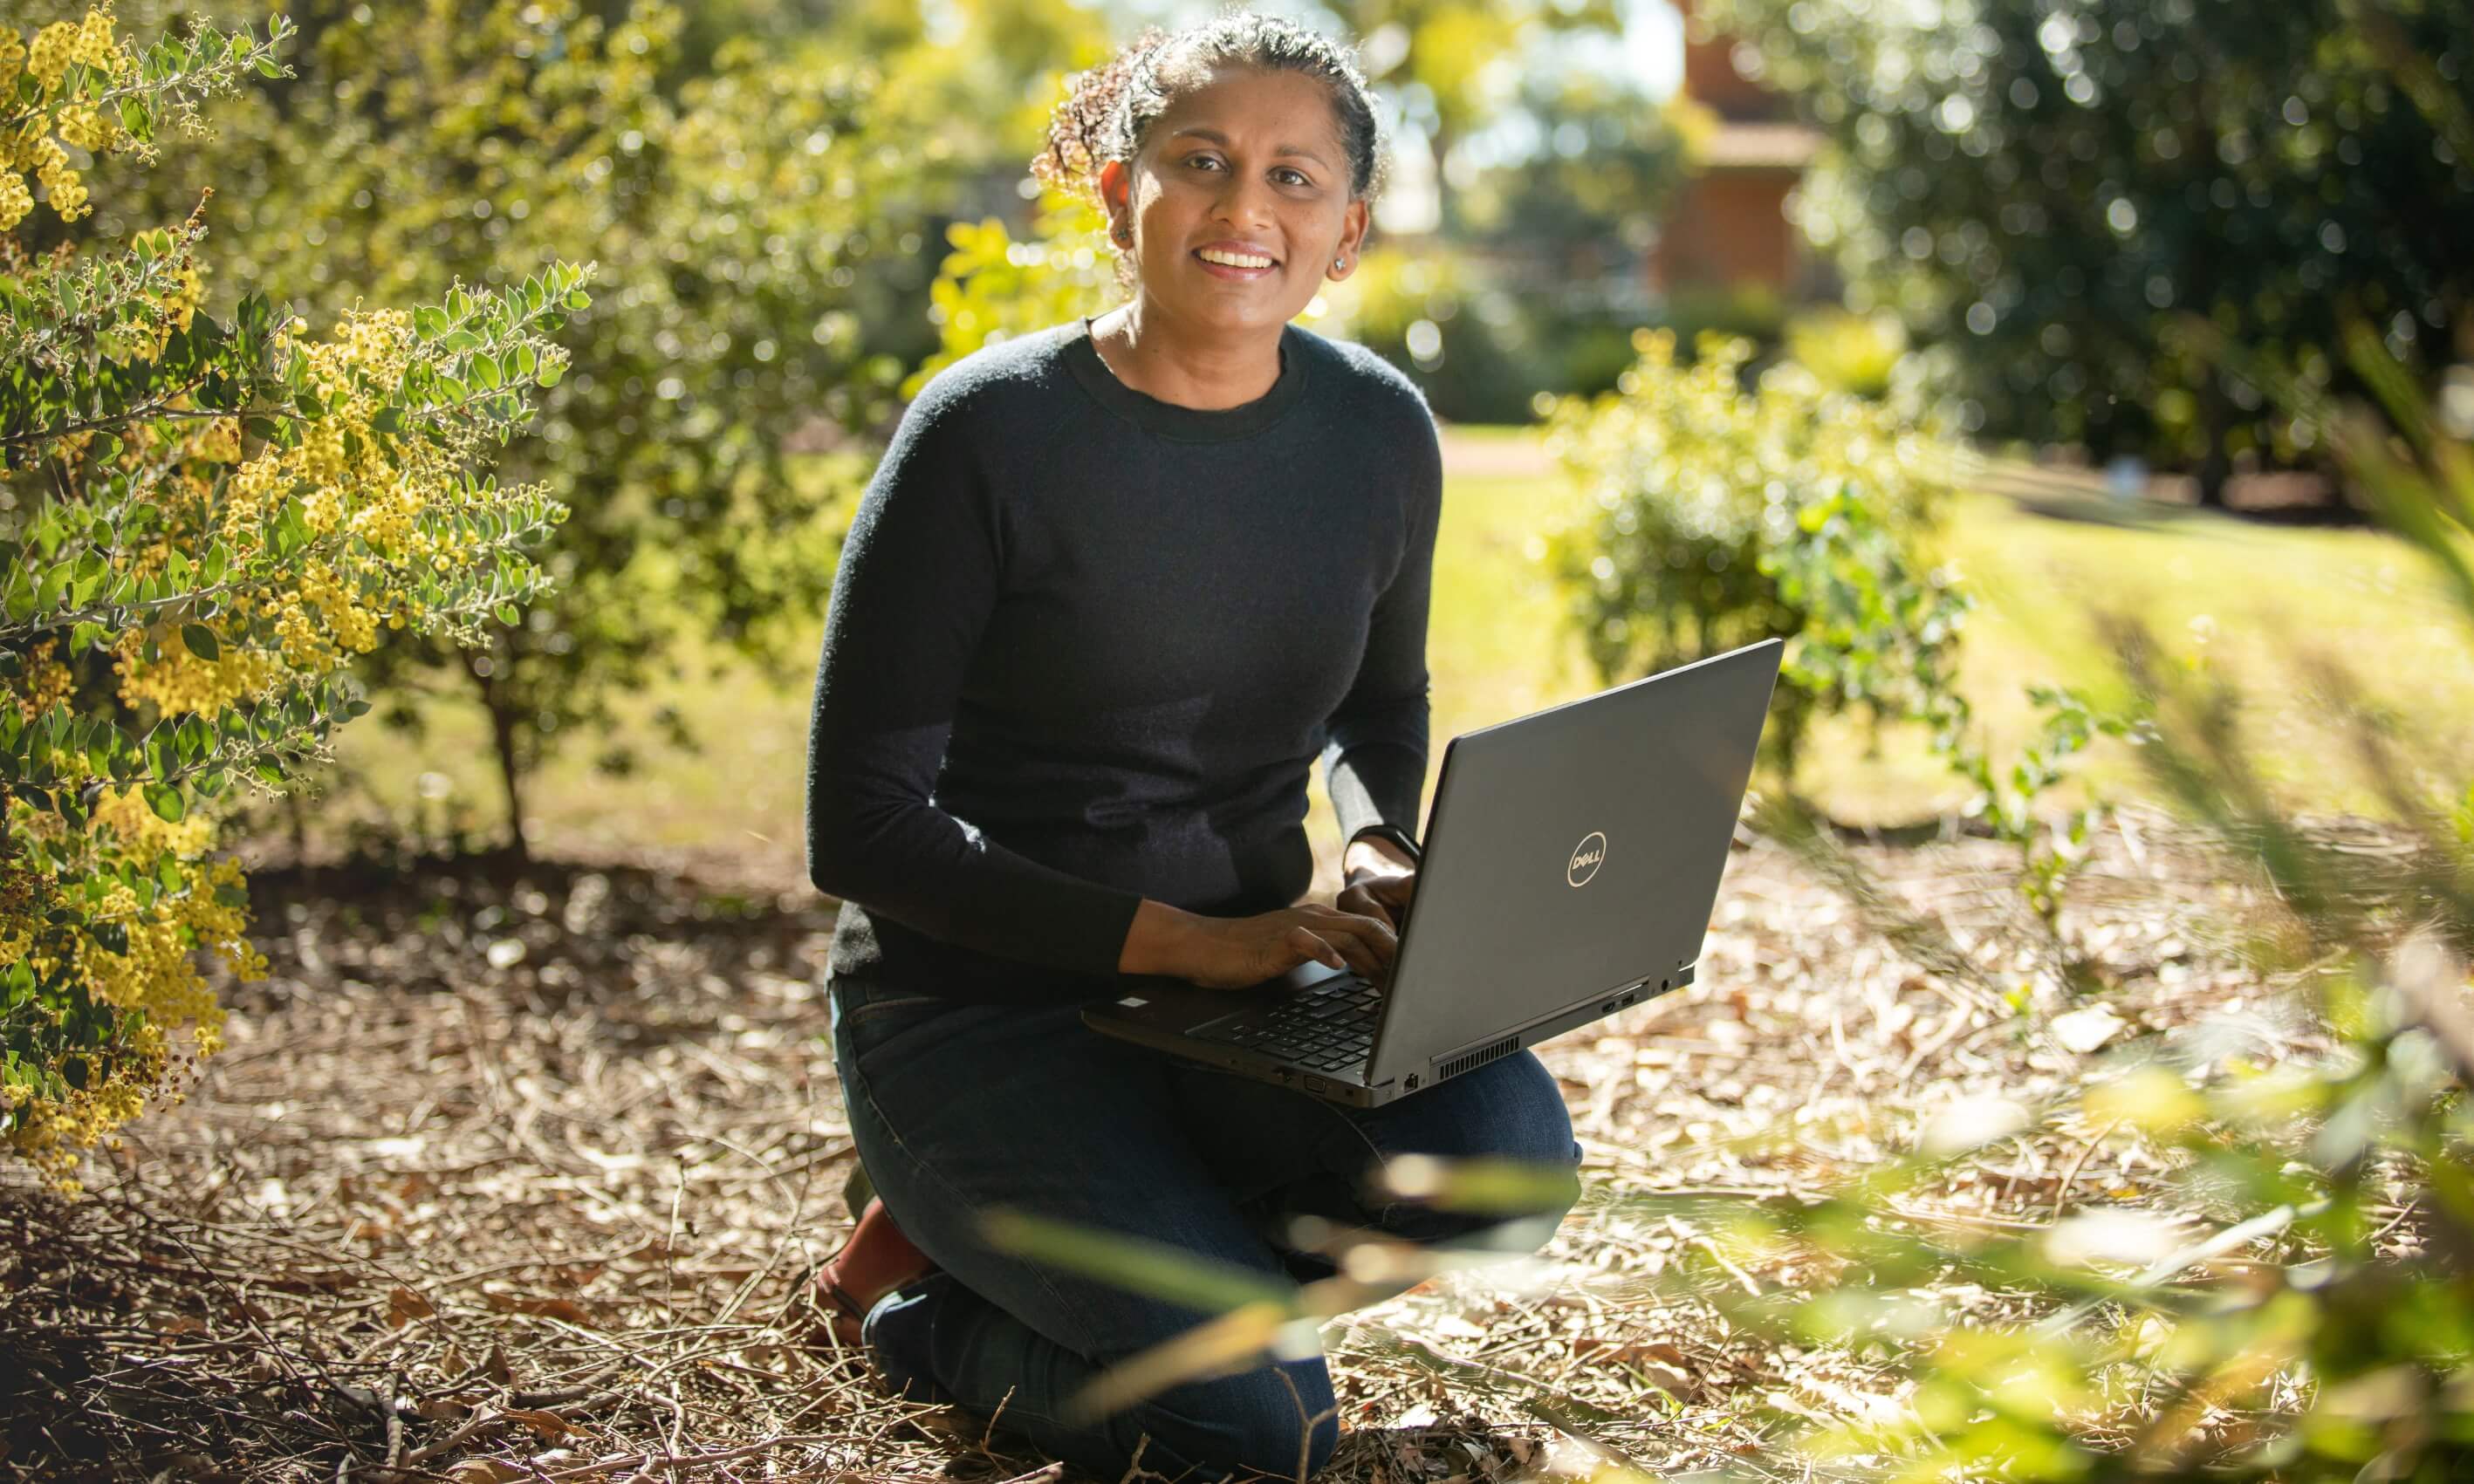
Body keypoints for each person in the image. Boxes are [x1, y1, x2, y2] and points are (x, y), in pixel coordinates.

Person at [799, 12, 1581, 1478]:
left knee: (1513, 1173)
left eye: (1295, 179)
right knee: (1256, 1435)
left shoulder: (1377, 434)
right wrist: (1190, 941)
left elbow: (1376, 709)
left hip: (1243, 990)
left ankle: (1117, 1259)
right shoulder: (985, 434)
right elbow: (863, 824)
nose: (1244, 209)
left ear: (1347, 233)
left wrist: (1379, 844)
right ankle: (917, 1307)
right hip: (973, 1010)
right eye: (1200, 161)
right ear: (1117, 188)